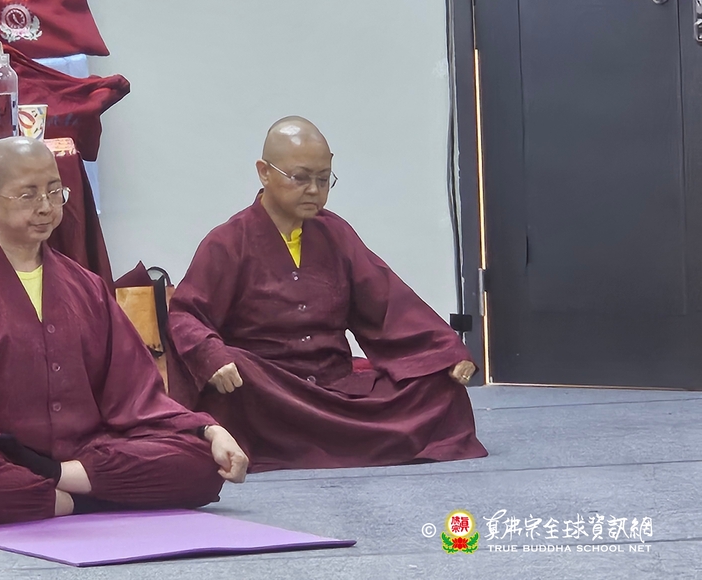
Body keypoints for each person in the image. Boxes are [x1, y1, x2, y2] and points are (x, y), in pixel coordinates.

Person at [0, 137, 248, 527]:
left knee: (202, 465)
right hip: (4, 455)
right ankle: (93, 498)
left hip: (89, 452)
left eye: (54, 192)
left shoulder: (87, 288)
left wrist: (208, 430)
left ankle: (57, 487)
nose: (45, 207)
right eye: (28, 195)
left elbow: (138, 392)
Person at [165, 117, 487, 473]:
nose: (314, 190)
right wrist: (212, 356)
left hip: (334, 385)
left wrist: (444, 351)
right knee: (234, 380)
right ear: (264, 172)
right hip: (268, 390)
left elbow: (388, 303)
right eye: (300, 178)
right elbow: (185, 314)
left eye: (323, 179)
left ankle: (322, 438)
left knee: (440, 389)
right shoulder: (227, 242)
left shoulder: (336, 234)